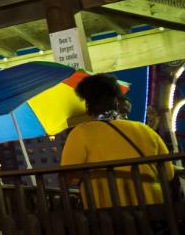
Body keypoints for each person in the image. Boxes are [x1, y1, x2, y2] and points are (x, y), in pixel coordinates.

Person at [60, 73, 175, 209]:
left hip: (108, 211)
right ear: (116, 103)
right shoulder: (144, 130)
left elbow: (67, 177)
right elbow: (168, 173)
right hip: (154, 208)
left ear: (88, 106)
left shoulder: (80, 133)